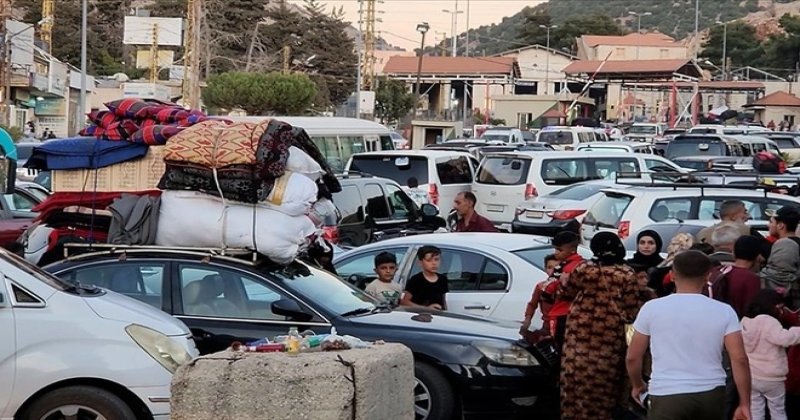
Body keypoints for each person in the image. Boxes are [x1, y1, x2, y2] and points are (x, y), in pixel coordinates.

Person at [626, 251, 752, 420]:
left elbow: (633, 357)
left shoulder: (652, 308)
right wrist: (744, 403)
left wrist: (637, 384)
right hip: (711, 392)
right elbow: (739, 359)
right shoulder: (724, 311)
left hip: (666, 392)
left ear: (672, 275)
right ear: (708, 276)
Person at [559, 232, 645, 420]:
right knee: (603, 386)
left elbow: (566, 292)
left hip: (578, 336)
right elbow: (631, 310)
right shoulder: (625, 273)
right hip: (609, 340)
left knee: (576, 384)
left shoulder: (584, 269)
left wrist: (564, 280)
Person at [742, 289, 800, 420]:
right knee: (777, 411)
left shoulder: (746, 322)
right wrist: (797, 331)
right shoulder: (769, 322)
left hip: (752, 375)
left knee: (756, 409)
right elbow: (784, 339)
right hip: (772, 377)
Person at [544, 231, 585, 351]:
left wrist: (546, 293)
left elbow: (549, 288)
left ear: (572, 250)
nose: (556, 253)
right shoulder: (583, 264)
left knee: (559, 347)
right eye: (555, 249)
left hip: (561, 312)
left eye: (559, 250)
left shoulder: (565, 267)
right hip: (574, 312)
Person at [711, 235, 764, 319]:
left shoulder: (719, 271)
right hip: (738, 324)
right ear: (757, 256)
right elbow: (751, 310)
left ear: (733, 253)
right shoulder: (752, 279)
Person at [760, 206, 800, 305]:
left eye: (771, 222)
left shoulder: (785, 245)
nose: (768, 225)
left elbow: (779, 278)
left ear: (780, 226)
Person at [520, 254, 559, 339]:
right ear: (545, 269)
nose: (552, 271)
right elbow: (532, 304)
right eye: (549, 267)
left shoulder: (568, 288)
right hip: (546, 327)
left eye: (556, 267)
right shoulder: (541, 287)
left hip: (563, 327)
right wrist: (527, 320)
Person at [400, 246, 448, 310]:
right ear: (420, 263)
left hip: (438, 316)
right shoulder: (416, 280)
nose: (434, 263)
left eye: (436, 259)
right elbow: (405, 302)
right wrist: (425, 308)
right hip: (419, 316)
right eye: (429, 260)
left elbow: (443, 300)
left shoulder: (443, 279)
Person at [649, 233, 695, 297]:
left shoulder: (676, 267)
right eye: (672, 243)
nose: (670, 246)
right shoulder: (665, 262)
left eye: (674, 244)